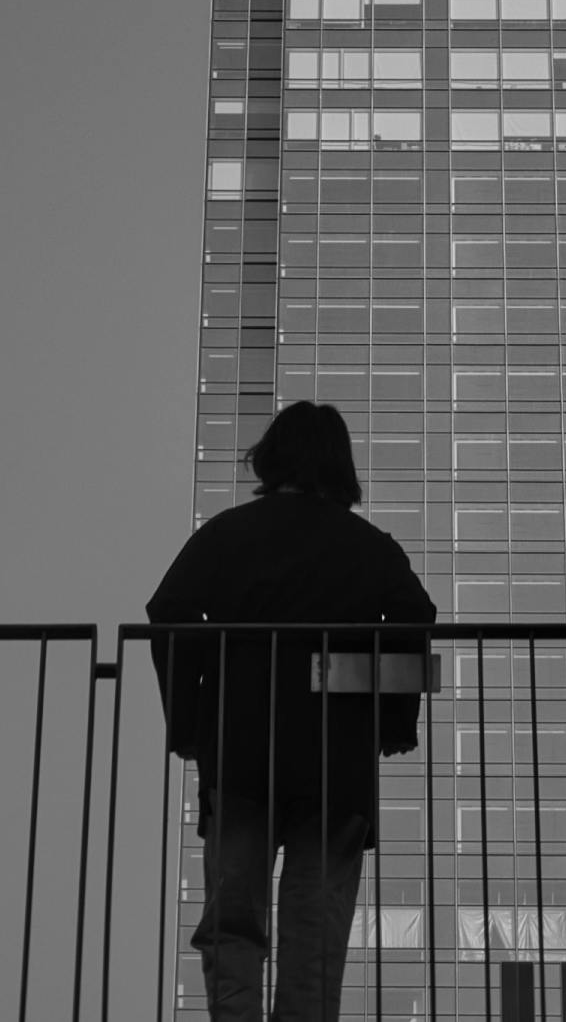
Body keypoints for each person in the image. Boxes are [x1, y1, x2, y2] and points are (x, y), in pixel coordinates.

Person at [145, 401, 438, 1022]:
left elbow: (167, 612)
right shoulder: (370, 547)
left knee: (232, 914)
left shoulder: (227, 532)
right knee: (315, 923)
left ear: (272, 458)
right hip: (336, 757)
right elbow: (416, 621)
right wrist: (389, 719)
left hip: (241, 743)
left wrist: (191, 720)